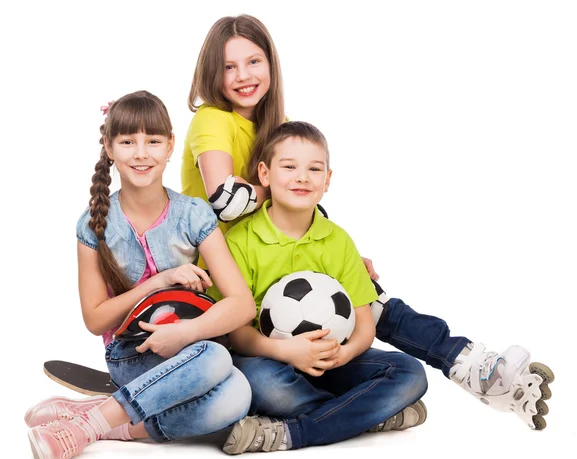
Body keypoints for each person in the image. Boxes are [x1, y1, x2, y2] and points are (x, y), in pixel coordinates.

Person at [182, 14, 554, 431]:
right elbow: (227, 200)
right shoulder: (213, 118)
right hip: (235, 271)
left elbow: (301, 196)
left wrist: (335, 248)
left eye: (254, 62)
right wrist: (283, 183)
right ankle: (387, 401)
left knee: (373, 304)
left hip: (289, 256)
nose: (243, 75)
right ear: (211, 72)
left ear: (271, 64)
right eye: (229, 66)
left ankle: (472, 366)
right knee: (366, 319)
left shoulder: (274, 126)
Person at [24, 90, 256, 459]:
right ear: (109, 148)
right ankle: (83, 431)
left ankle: (105, 421)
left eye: (153, 141)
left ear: (170, 146)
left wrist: (186, 334)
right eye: (128, 141)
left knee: (238, 394)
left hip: (191, 348)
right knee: (218, 360)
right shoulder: (94, 225)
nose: (141, 153)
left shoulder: (193, 215)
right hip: (131, 354)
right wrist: (158, 282)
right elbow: (96, 319)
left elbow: (242, 304)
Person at [209, 121, 429, 454]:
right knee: (258, 384)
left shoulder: (338, 241)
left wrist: (346, 353)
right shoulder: (240, 241)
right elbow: (236, 333)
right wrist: (285, 351)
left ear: (327, 180)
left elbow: (364, 324)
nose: (302, 177)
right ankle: (368, 414)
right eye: (289, 167)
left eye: (314, 169)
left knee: (410, 372)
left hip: (332, 361)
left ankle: (296, 432)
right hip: (269, 360)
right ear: (264, 174)